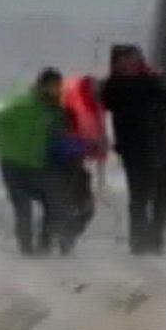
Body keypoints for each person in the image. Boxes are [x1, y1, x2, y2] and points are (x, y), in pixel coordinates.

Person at [99, 44, 166, 255]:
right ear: (117, 63)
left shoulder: (146, 82)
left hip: (157, 145)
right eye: (126, 60)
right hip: (138, 149)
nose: (131, 63)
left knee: (158, 196)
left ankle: (151, 240)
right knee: (142, 197)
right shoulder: (126, 85)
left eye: (134, 59)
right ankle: (141, 242)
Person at [0, 67, 83, 255]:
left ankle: (45, 244)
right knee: (23, 210)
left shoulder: (57, 112)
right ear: (41, 85)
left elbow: (62, 139)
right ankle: (27, 249)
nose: (56, 90)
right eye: (53, 86)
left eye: (58, 86)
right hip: (14, 165)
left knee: (52, 205)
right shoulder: (23, 105)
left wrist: (77, 151)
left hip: (40, 167)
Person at [59, 73, 109, 253]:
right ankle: (60, 237)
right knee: (77, 206)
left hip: (79, 166)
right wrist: (90, 148)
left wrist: (99, 151)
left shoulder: (96, 107)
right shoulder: (72, 105)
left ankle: (63, 236)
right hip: (66, 166)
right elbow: (64, 139)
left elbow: (98, 134)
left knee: (84, 208)